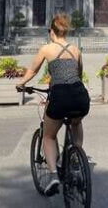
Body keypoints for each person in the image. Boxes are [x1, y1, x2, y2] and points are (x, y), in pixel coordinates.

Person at [17, 13, 90, 197]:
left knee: (49, 136)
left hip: (60, 96)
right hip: (80, 96)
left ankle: (53, 175)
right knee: (76, 122)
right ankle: (75, 157)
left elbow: (33, 70)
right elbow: (78, 74)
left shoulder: (46, 49)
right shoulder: (76, 49)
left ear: (52, 32)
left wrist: (21, 84)